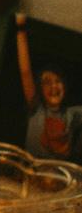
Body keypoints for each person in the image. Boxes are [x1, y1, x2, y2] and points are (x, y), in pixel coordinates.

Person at [16, 12, 82, 161]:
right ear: (39, 89)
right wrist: (20, 28)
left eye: (58, 81)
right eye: (47, 82)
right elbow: (25, 72)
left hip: (60, 179)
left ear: (64, 86)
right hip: (32, 174)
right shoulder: (36, 109)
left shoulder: (73, 114)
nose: (54, 86)